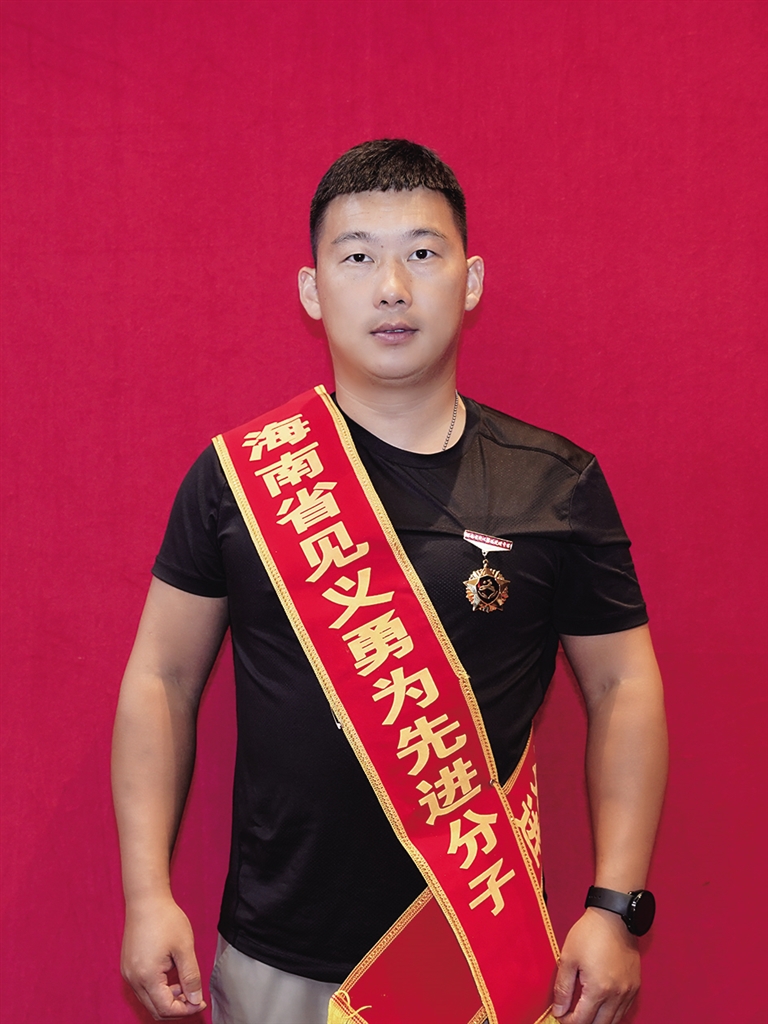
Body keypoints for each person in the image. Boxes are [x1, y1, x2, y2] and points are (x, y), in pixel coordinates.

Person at [112, 139, 668, 1024]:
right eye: (358, 258)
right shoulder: (241, 479)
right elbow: (162, 678)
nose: (393, 288)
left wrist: (614, 907)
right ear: (312, 289)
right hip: (275, 955)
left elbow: (623, 685)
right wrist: (148, 895)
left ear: (471, 280)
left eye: (423, 253)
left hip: (479, 953)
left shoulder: (555, 483)